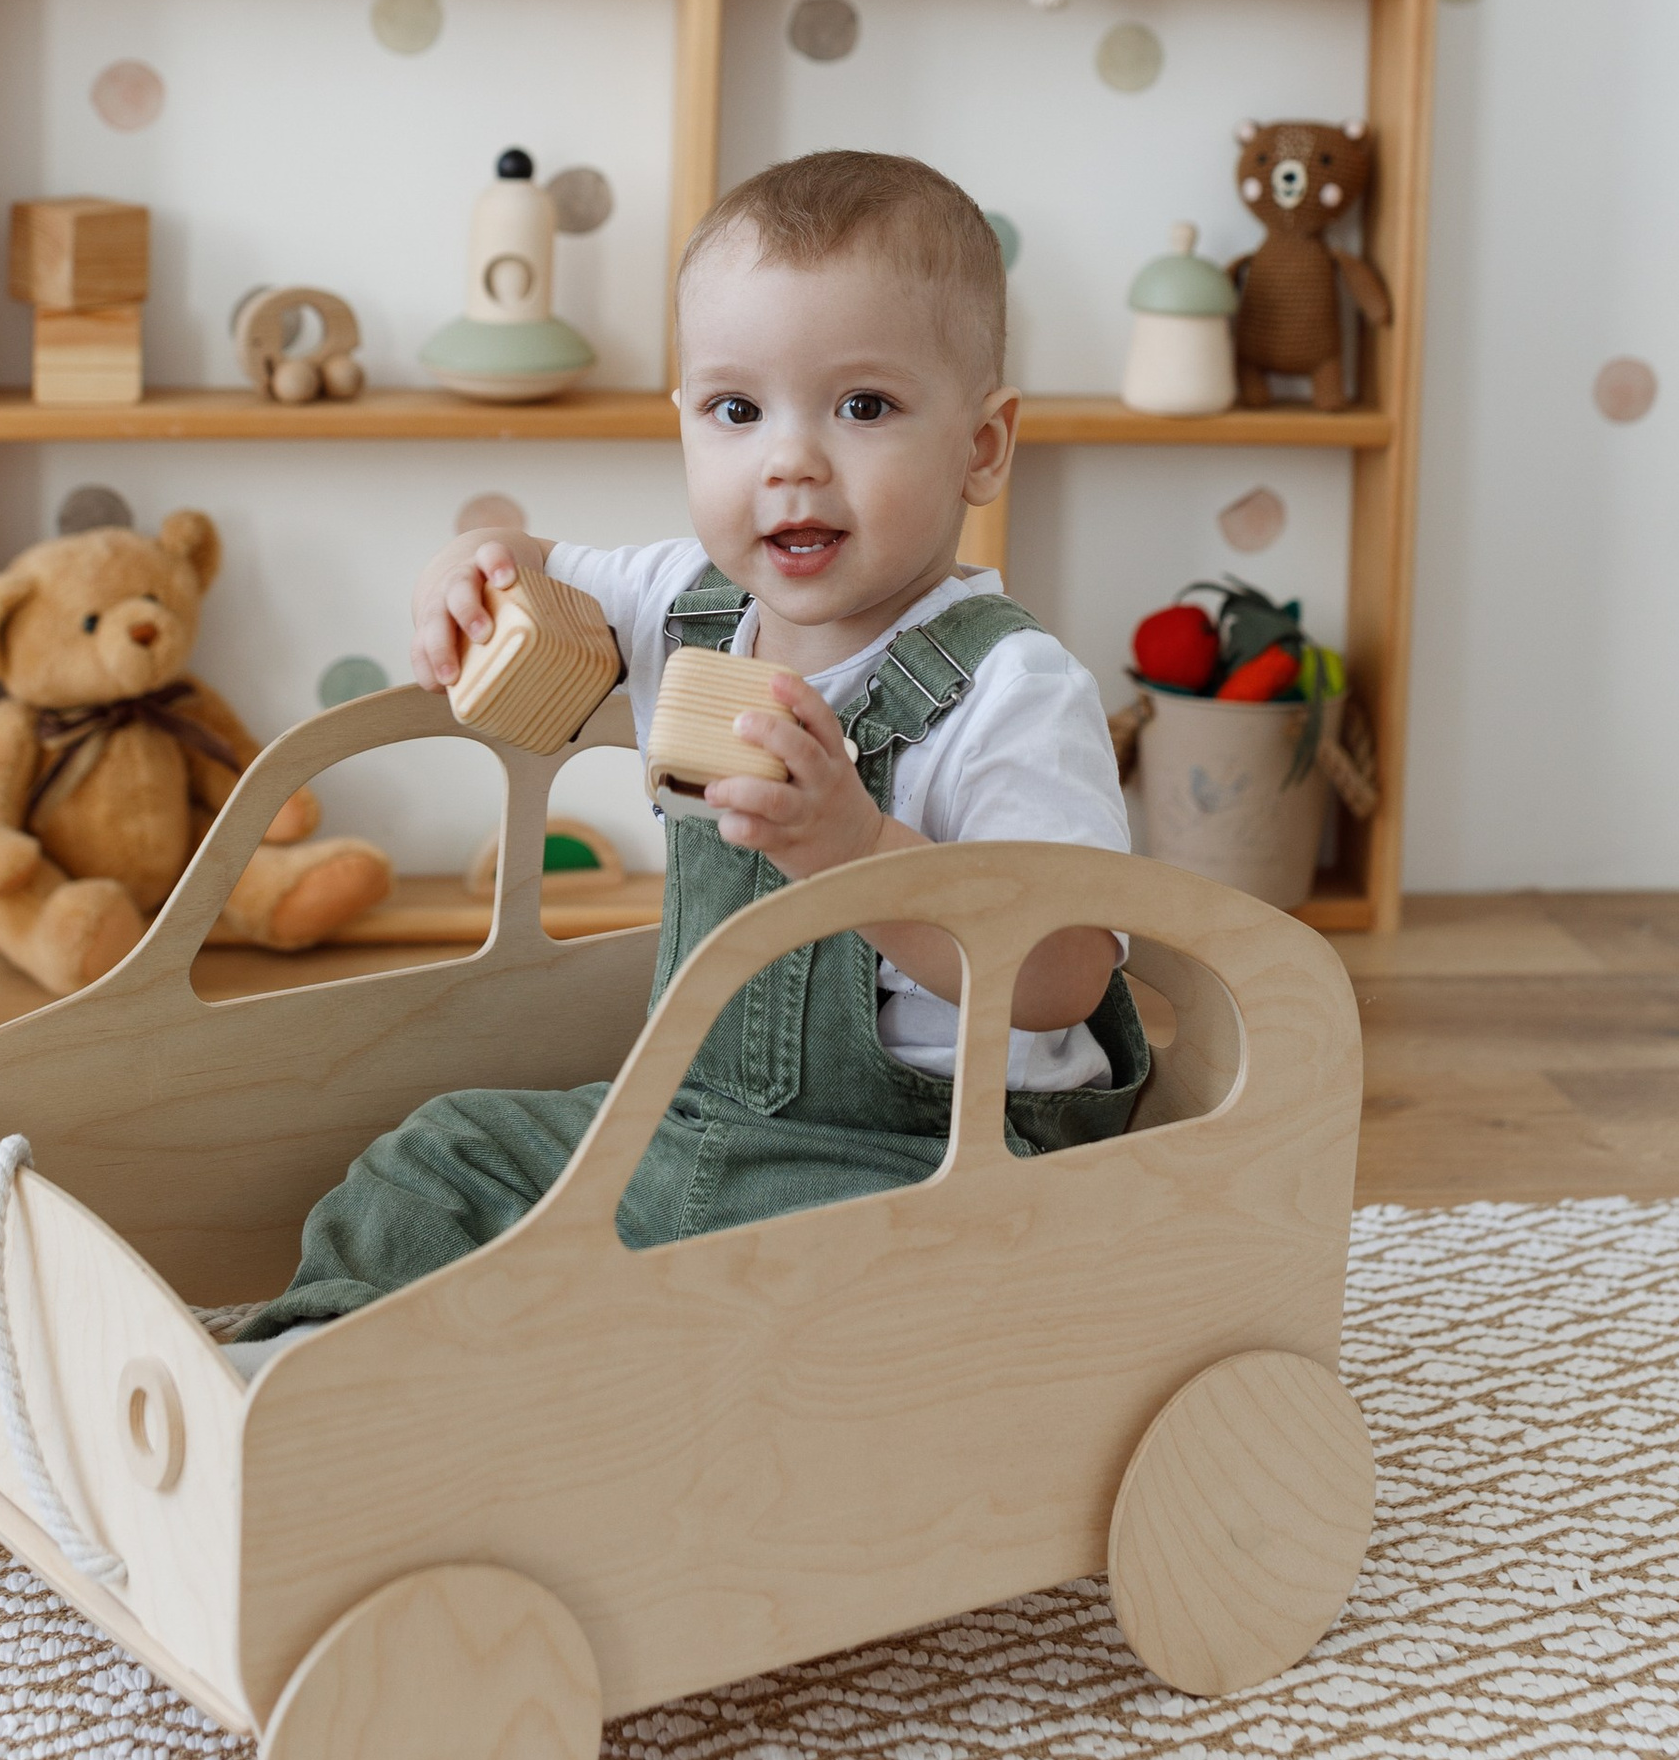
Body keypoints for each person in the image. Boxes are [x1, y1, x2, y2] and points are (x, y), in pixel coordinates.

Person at [225, 149, 1143, 1359]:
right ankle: (303, 1369)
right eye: (735, 410)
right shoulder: (681, 598)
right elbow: (536, 564)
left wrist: (859, 853)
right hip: (690, 1116)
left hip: (930, 1167)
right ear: (686, 425)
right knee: (441, 1156)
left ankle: (593, 1396)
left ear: (981, 447)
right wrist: (471, 566)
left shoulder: (1010, 689)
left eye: (862, 407)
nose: (790, 459)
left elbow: (1065, 974)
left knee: (797, 1310)